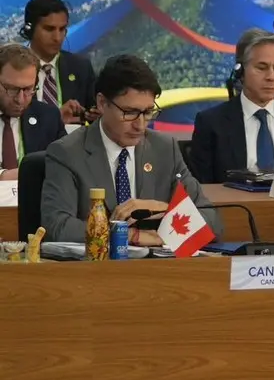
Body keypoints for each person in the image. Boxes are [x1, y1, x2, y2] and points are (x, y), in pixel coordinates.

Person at [40, 54, 222, 244]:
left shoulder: (165, 149)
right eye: (130, 113)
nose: (140, 125)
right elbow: (58, 226)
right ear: (102, 103)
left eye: (148, 112)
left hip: (159, 269)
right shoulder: (67, 153)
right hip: (96, 269)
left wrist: (167, 210)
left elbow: (212, 222)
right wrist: (129, 236)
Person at [188, 29, 274, 183]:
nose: (271, 77)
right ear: (240, 72)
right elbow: (202, 188)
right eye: (261, 68)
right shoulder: (211, 123)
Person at [20, 0, 97, 124]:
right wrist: (55, 118)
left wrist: (96, 116)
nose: (57, 37)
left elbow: (96, 112)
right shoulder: (11, 70)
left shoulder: (81, 68)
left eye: (62, 29)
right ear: (30, 29)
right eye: (49, 29)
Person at [0, 43, 66, 179]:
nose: (20, 99)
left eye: (28, 89)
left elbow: (66, 165)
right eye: (12, 89)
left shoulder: (48, 118)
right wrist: (3, 176)